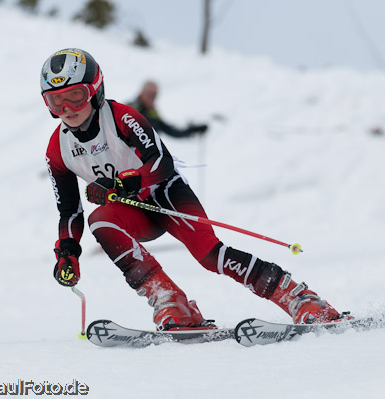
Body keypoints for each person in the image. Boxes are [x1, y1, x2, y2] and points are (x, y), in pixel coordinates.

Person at [42, 48, 346, 331]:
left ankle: (299, 297)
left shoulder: (123, 117)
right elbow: (69, 210)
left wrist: (120, 184)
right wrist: (68, 252)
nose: (67, 108)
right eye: (56, 101)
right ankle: (172, 301)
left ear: (96, 90)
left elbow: (161, 163)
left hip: (167, 196)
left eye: (75, 96)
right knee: (100, 219)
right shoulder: (58, 148)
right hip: (135, 213)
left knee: (210, 256)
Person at [128, 80, 208, 138]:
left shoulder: (152, 113)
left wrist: (193, 130)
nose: (153, 99)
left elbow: (170, 131)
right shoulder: (129, 110)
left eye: (155, 95)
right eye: (150, 94)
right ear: (142, 92)